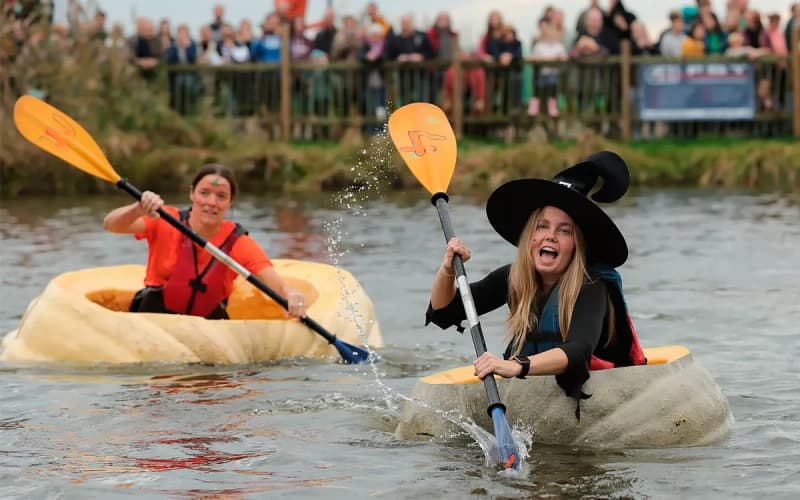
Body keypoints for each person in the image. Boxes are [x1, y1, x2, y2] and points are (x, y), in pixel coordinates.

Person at [426, 152, 646, 419]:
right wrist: (448, 269)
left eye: (564, 230)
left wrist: (515, 366)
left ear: (577, 244)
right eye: (542, 226)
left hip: (603, 395)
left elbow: (578, 352)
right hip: (540, 394)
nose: (550, 236)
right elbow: (444, 311)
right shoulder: (514, 278)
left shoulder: (593, 285)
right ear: (530, 236)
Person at [103, 164, 307, 320]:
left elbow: (276, 284)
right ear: (192, 194)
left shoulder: (237, 242)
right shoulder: (165, 219)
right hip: (154, 319)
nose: (212, 202)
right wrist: (137, 209)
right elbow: (111, 225)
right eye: (204, 193)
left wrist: (291, 295)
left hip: (208, 329)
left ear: (230, 203)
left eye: (221, 196)